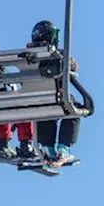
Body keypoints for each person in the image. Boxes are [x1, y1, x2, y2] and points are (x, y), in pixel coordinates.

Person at [29, 20, 80, 167]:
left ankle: (47, 147)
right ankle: (63, 149)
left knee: (45, 112)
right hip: (55, 98)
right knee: (73, 108)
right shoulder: (57, 54)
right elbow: (73, 68)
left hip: (33, 101)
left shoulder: (26, 56)